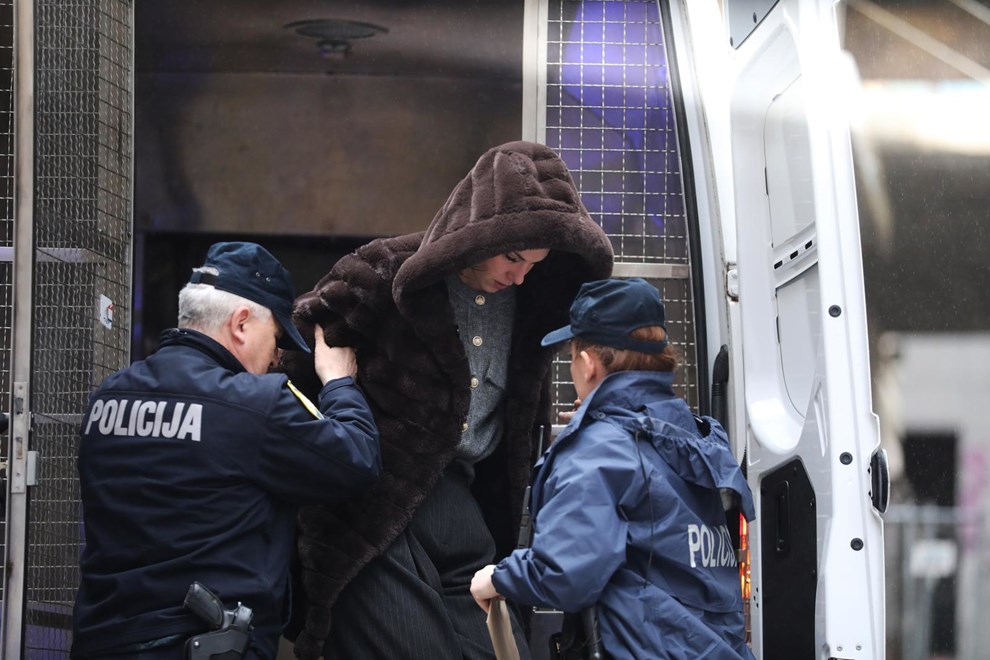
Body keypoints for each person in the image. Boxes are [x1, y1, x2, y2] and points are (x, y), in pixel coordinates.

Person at [283, 141, 614, 659]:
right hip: (372, 498)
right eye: (512, 258)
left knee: (497, 646)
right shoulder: (385, 271)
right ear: (477, 232)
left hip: (462, 499)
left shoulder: (532, 307)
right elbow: (294, 358)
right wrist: (333, 390)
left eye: (535, 264)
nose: (520, 275)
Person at [71, 241, 382, 660]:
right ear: (241, 324)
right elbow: (357, 460)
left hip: (102, 642)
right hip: (204, 645)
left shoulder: (108, 397)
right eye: (276, 339)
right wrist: (339, 382)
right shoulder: (253, 404)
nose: (276, 358)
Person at [470, 278, 756, 660]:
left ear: (588, 364)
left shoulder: (600, 449)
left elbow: (566, 572)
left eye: (572, 356)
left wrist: (498, 578)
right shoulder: (697, 436)